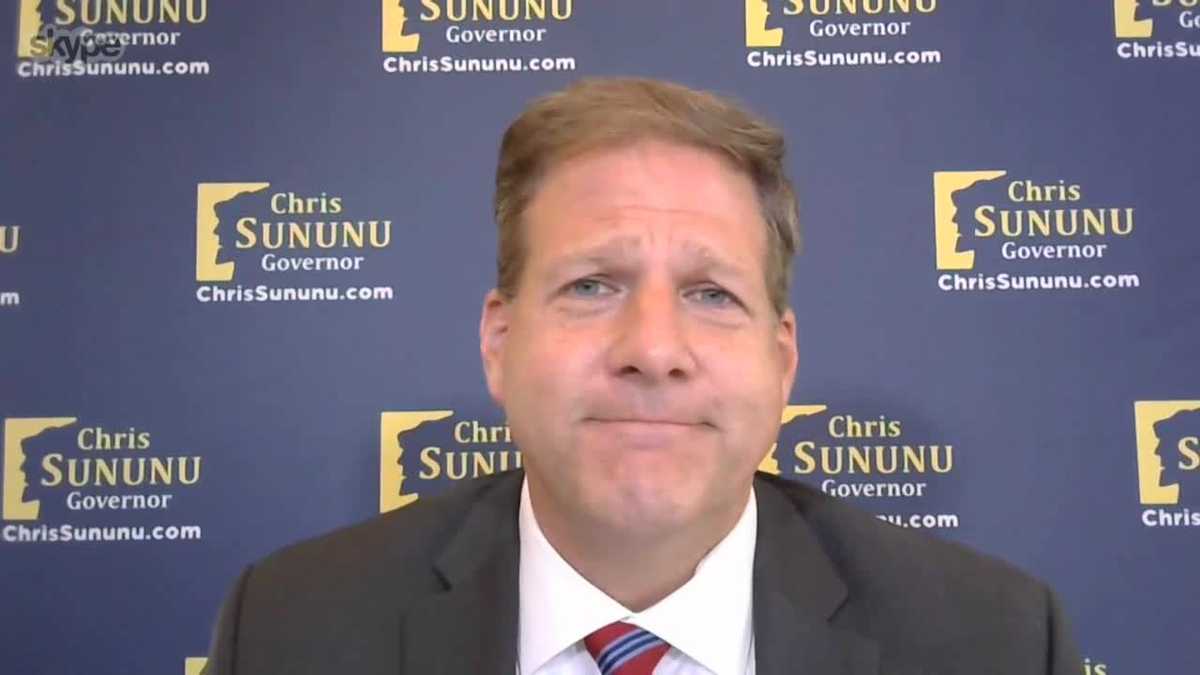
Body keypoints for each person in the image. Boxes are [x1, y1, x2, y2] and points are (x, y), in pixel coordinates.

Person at [204, 77, 1082, 674]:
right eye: (592, 285)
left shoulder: (995, 642)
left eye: (711, 293)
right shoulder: (290, 630)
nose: (654, 349)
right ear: (499, 341)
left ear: (781, 362)